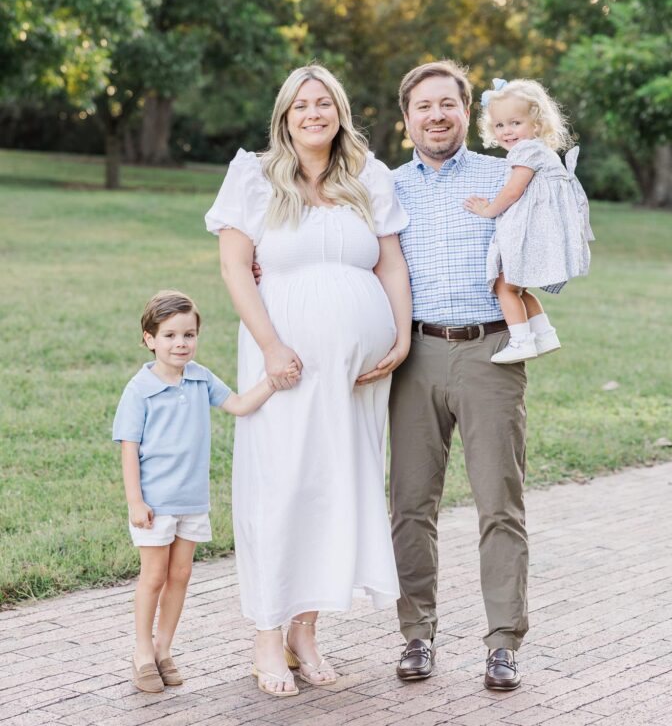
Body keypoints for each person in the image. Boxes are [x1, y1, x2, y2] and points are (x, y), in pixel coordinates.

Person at [205, 65, 412, 698]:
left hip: (357, 378)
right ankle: (267, 634)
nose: (313, 113)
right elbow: (235, 268)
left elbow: (391, 264)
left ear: (340, 112)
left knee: (332, 487)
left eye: (324, 103)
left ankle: (306, 630)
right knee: (282, 486)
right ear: (285, 116)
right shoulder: (253, 176)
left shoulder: (368, 176)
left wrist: (400, 339)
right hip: (284, 366)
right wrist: (272, 347)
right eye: (301, 105)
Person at [389, 60, 529, 691]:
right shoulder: (386, 186)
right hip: (413, 355)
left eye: (447, 103)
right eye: (424, 106)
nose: (436, 115)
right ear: (407, 118)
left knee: (499, 502)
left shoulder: (506, 175)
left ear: (466, 112)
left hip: (489, 352)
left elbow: (552, 243)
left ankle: (503, 642)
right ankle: (416, 634)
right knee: (410, 504)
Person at [112, 290, 297, 694]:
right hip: (154, 504)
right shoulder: (139, 389)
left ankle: (164, 649)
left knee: (180, 575)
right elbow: (129, 448)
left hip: (192, 501)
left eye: (189, 335)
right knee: (153, 576)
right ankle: (142, 652)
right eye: (170, 336)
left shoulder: (200, 378)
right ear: (149, 339)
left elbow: (239, 405)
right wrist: (135, 501)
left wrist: (273, 381)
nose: (180, 343)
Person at [464, 77, 594, 364]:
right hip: (542, 229)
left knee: (503, 286)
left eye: (515, 123)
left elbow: (513, 190)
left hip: (530, 230)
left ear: (536, 124)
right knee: (518, 288)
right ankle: (544, 334)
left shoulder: (526, 151)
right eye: (500, 125)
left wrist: (488, 210)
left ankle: (521, 341)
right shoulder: (540, 150)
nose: (507, 131)